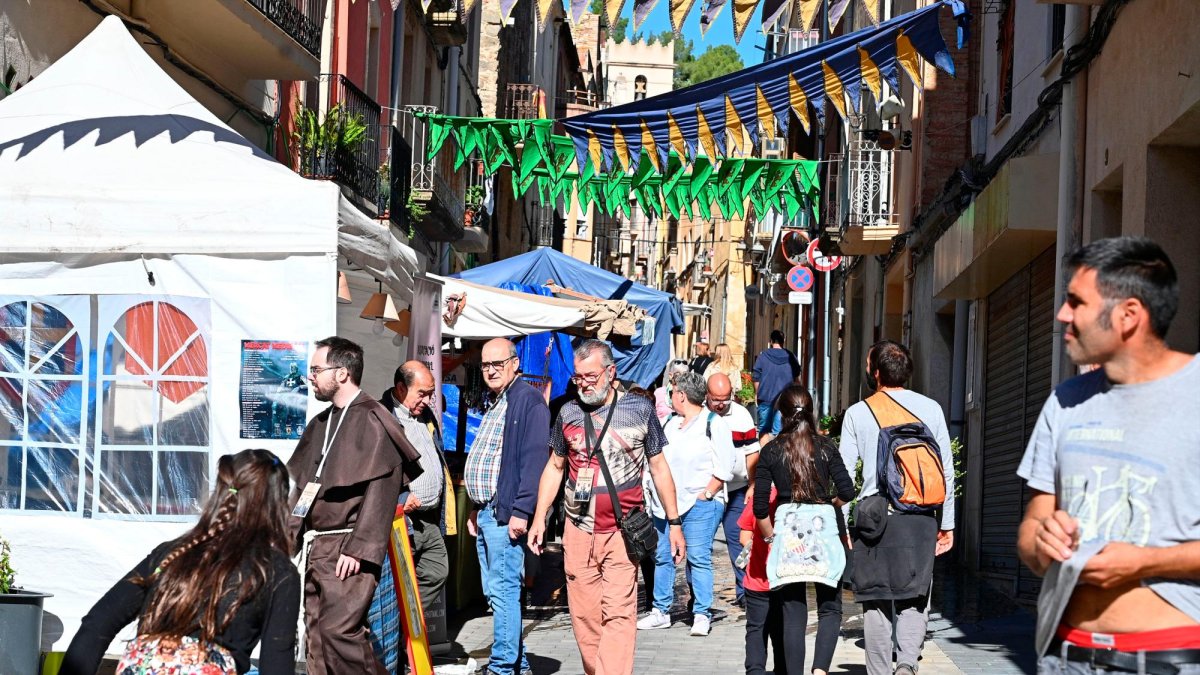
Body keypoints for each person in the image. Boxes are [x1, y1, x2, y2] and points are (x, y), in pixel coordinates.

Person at [1016, 237, 1200, 674]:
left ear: (1128, 315)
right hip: (1064, 656)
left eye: (1076, 302)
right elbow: (1030, 528)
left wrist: (1145, 562)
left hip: (1168, 659)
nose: (1062, 314)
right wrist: (1042, 542)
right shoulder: (1064, 401)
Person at [528, 339, 686, 675]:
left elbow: (659, 468)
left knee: (619, 613)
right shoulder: (567, 412)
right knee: (585, 617)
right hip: (578, 529)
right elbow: (555, 467)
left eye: (590, 376)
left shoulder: (640, 410)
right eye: (578, 377)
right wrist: (540, 517)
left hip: (622, 531)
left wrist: (674, 523)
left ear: (611, 372)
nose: (582, 383)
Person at [64, 449, 300, 674]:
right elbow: (276, 663)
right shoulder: (277, 572)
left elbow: (97, 624)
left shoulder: (172, 554)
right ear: (277, 507)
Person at [287, 337, 422, 675]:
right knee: (316, 635)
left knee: (340, 633)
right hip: (317, 546)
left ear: (343, 373)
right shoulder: (321, 423)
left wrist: (360, 548)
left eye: (317, 369)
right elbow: (304, 489)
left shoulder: (375, 418)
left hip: (347, 548)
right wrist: (285, 539)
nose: (311, 377)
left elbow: (383, 489)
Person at [839, 340, 955, 675]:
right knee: (915, 597)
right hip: (919, 519)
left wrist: (846, 524)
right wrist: (946, 522)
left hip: (874, 520)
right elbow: (944, 468)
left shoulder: (858, 413)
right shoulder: (931, 408)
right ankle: (905, 665)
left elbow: (845, 475)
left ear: (875, 373)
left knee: (875, 602)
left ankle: (878, 671)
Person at [754, 386, 855, 675]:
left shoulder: (771, 450)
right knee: (830, 607)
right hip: (824, 533)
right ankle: (821, 670)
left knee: (792, 611)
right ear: (811, 411)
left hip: (788, 531)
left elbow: (761, 508)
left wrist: (771, 537)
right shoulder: (825, 447)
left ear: (782, 414)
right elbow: (847, 490)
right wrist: (829, 506)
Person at [464, 338, 549, 675]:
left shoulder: (528, 401)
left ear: (515, 363)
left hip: (505, 515)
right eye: (485, 365)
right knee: (495, 592)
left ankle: (501, 667)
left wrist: (522, 511)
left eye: (498, 364)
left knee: (503, 591)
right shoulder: (500, 400)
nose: (490, 370)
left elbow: (533, 461)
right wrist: (475, 506)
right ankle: (518, 661)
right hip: (489, 511)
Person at [639, 370, 736, 636]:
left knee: (697, 557)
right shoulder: (669, 422)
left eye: (672, 392)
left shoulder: (713, 423)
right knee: (662, 556)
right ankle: (661, 610)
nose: (670, 396)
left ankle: (702, 613)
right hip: (666, 504)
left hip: (700, 503)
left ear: (681, 395)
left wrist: (705, 494)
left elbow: (726, 467)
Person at [369, 361, 451, 673]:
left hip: (429, 519)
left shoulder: (425, 414)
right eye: (422, 393)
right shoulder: (380, 416)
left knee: (437, 570)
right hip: (402, 521)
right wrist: (402, 498)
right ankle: (398, 643)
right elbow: (376, 470)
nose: (428, 400)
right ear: (401, 388)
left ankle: (405, 628)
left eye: (431, 394)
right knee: (400, 585)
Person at [705, 372, 761, 607]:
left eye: (725, 399)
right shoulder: (700, 415)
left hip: (737, 488)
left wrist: (752, 484)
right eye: (715, 399)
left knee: (739, 540)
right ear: (707, 395)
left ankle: (744, 591)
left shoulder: (741, 416)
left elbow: (752, 452)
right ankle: (699, 595)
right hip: (708, 489)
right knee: (701, 544)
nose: (720, 404)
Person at [752, 330, 801, 437]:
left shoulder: (763, 356)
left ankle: (765, 453)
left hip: (765, 398)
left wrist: (757, 393)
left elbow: (756, 377)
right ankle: (777, 453)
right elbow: (797, 379)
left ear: (770, 341)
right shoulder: (791, 357)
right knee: (780, 432)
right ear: (784, 341)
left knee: (764, 431)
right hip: (785, 400)